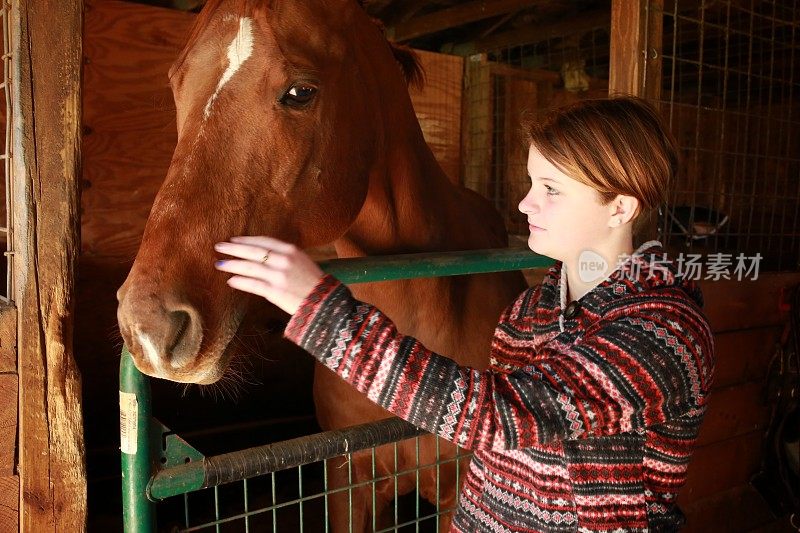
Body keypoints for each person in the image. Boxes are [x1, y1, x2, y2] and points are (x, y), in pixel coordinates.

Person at [213, 96, 715, 532]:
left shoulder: (663, 334)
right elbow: (495, 463)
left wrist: (324, 314)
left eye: (551, 189)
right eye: (531, 183)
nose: (524, 204)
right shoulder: (529, 310)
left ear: (620, 208)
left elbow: (499, 417)